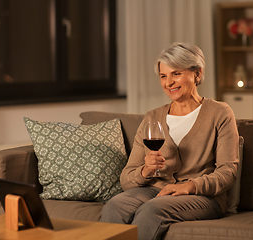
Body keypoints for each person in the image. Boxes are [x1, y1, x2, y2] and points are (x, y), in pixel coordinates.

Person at [100, 42, 239, 240]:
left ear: (197, 74)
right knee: (115, 205)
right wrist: (145, 170)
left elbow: (228, 171)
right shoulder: (152, 118)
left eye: (176, 74)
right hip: (155, 190)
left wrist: (189, 186)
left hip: (201, 197)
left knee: (151, 210)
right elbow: (127, 179)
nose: (168, 82)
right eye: (163, 76)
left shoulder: (220, 113)